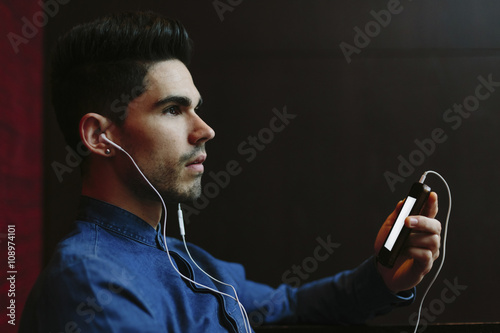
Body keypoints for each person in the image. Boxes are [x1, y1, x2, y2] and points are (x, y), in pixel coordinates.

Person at [20, 11, 441, 333]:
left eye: (195, 108)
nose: (204, 130)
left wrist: (383, 278)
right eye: (172, 109)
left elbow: (288, 305)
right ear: (99, 136)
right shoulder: (92, 283)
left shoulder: (183, 258)